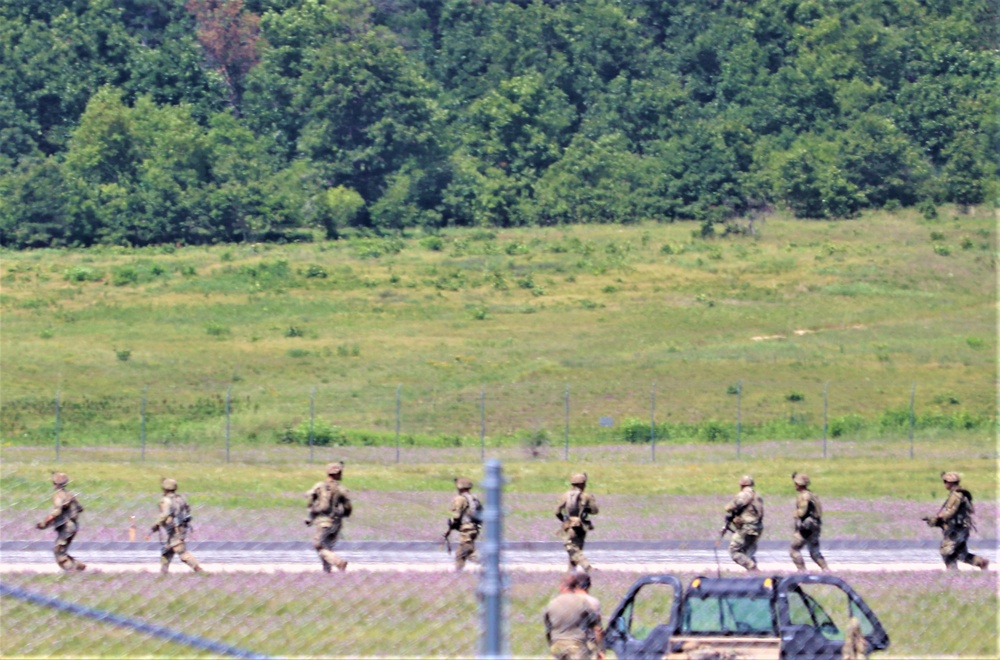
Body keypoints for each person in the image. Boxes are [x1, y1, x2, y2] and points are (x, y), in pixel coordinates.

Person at [923, 471, 989, 571]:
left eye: (945, 481)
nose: (944, 483)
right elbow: (970, 510)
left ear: (950, 482)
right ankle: (981, 562)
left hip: (956, 529)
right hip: (962, 528)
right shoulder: (962, 494)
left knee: (946, 551)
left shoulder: (956, 495)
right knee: (961, 553)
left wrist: (939, 518)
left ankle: (952, 573)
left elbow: (950, 512)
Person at [543, 573, 603, 660]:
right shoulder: (582, 602)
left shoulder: (552, 604)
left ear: (562, 587)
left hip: (557, 645)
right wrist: (599, 649)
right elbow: (597, 628)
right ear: (575, 586)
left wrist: (551, 643)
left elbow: (548, 629)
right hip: (577, 645)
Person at [305, 461, 352, 572]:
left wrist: (310, 517)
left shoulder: (319, 486)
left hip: (323, 522)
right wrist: (344, 514)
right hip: (336, 523)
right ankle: (327, 573)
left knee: (318, 546)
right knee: (327, 548)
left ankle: (338, 562)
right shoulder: (341, 489)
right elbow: (348, 507)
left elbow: (311, 501)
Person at [150, 477, 203, 574]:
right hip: (181, 527)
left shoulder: (166, 500)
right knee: (167, 551)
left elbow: (164, 514)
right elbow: (187, 510)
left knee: (181, 552)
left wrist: (156, 525)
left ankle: (199, 570)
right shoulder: (180, 498)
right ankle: (163, 572)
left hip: (174, 530)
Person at [36, 472, 86, 571]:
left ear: (54, 483)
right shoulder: (70, 495)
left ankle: (72, 570)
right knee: (62, 550)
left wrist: (44, 523)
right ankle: (78, 566)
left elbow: (57, 511)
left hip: (66, 527)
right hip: (74, 526)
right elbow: (80, 509)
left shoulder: (58, 495)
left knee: (58, 552)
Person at [555, 473, 599, 573]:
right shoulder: (586, 496)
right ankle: (571, 574)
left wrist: (565, 520)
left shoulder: (565, 496)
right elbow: (595, 511)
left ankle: (588, 569)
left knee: (572, 549)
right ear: (583, 484)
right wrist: (587, 509)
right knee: (576, 550)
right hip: (582, 527)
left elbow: (557, 512)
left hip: (569, 526)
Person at [724, 475, 764, 572]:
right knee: (747, 551)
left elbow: (729, 508)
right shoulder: (757, 495)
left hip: (746, 527)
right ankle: (755, 574)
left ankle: (752, 568)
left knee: (734, 551)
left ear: (741, 484)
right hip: (757, 527)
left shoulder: (743, 495)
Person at [789, 472, 828, 572]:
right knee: (814, 552)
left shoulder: (804, 496)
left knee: (794, 550)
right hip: (815, 526)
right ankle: (826, 570)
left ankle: (802, 571)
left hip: (806, 528)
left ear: (798, 484)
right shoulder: (812, 494)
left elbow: (802, 512)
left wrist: (796, 514)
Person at [447, 477, 482, 571]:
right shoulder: (474, 498)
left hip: (466, 529)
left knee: (466, 551)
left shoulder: (460, 499)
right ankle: (458, 573)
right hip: (474, 528)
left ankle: (488, 563)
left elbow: (456, 516)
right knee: (461, 553)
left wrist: (451, 523)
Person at [573, 573, 604, 659]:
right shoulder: (594, 602)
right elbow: (598, 629)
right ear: (589, 585)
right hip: (588, 644)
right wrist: (601, 649)